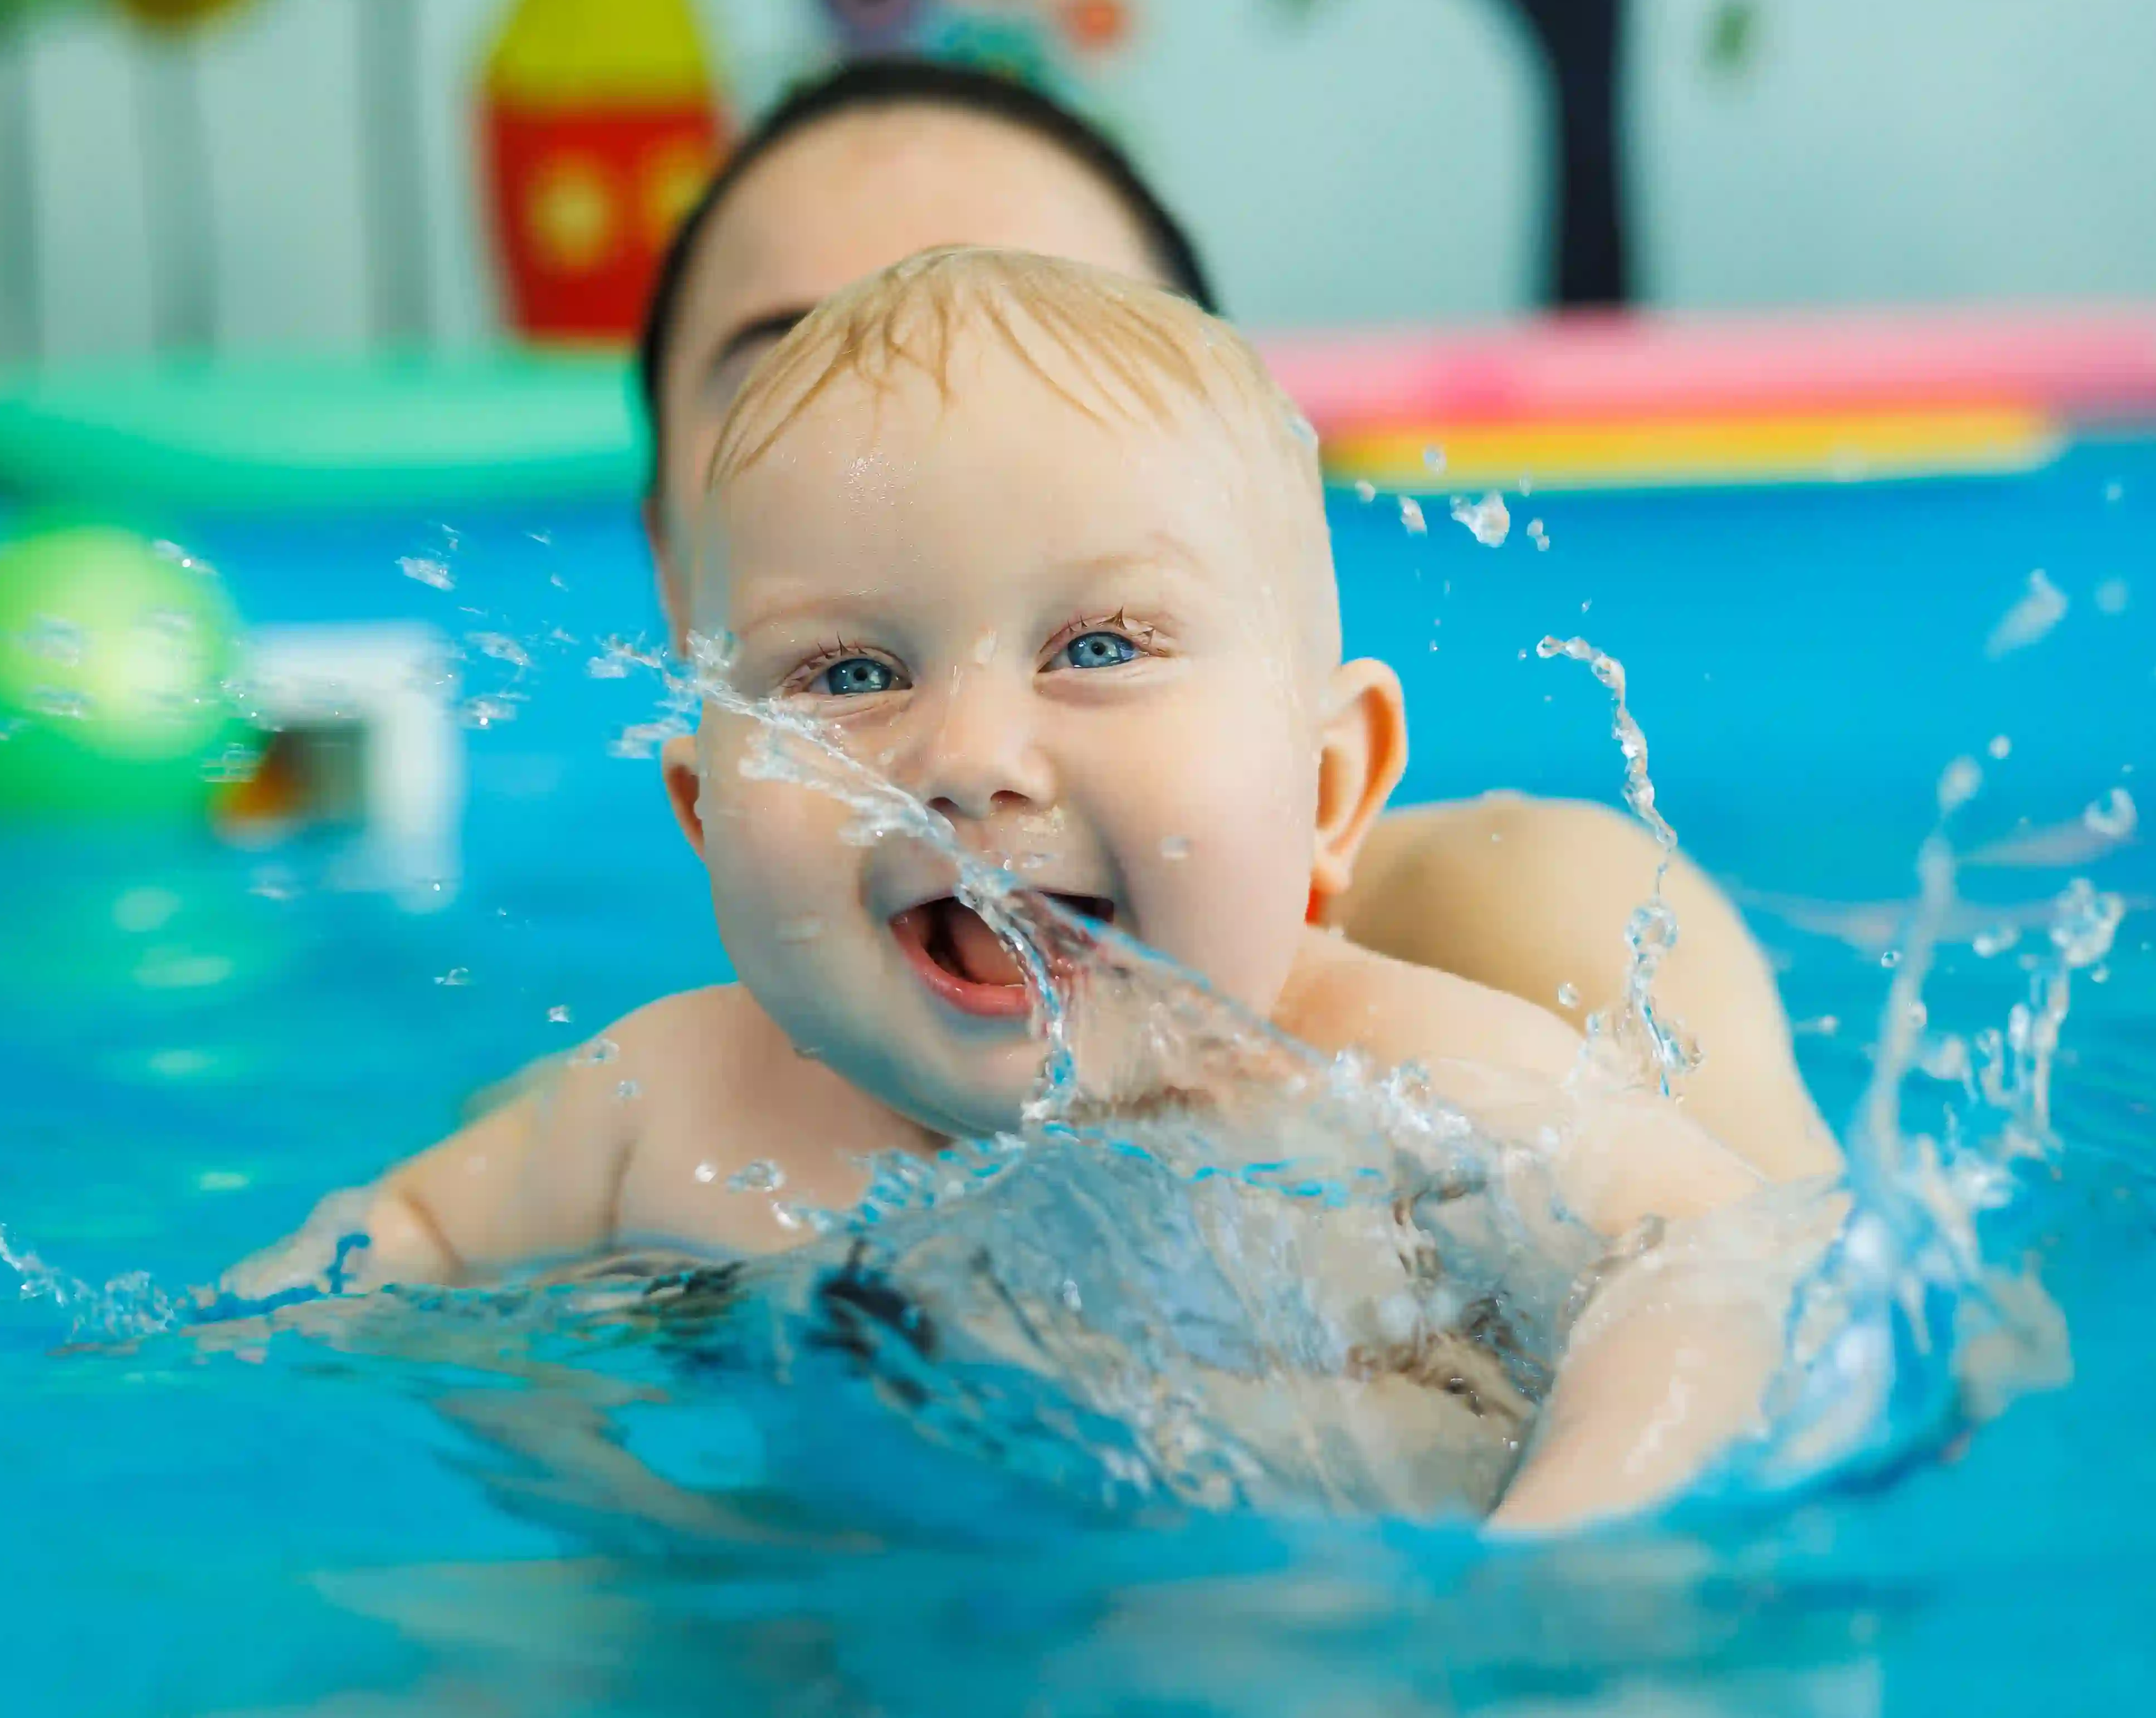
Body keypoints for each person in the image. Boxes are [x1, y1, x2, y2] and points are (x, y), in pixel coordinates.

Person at [225, 248, 1804, 1530]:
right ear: (707, 820)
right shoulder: (667, 1097)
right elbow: (408, 1228)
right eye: (848, 670)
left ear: (1326, 789)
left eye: (1099, 647)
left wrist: (1567, 1559)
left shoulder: (1406, 1086)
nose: (971, 758)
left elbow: (1716, 1256)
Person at [635, 58, 1838, 1186]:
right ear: (665, 554)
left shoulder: (1517, 936)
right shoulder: (657, 1119)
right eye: (789, 375)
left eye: (1055, 355)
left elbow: (1776, 1331)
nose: (915, 448)